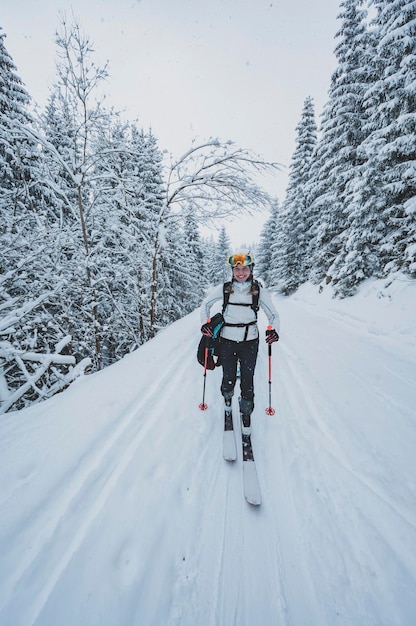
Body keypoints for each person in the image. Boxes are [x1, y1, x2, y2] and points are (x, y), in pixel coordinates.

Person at [200, 252, 280, 434]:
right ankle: (227, 400)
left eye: (245, 268)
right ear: (232, 270)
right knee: (228, 376)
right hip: (227, 341)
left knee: (247, 379)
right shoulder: (225, 288)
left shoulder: (258, 290)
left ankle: (246, 412)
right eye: (237, 269)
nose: (241, 272)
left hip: (249, 342)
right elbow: (205, 305)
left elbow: (273, 315)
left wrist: (274, 330)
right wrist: (205, 324)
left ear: (251, 269)